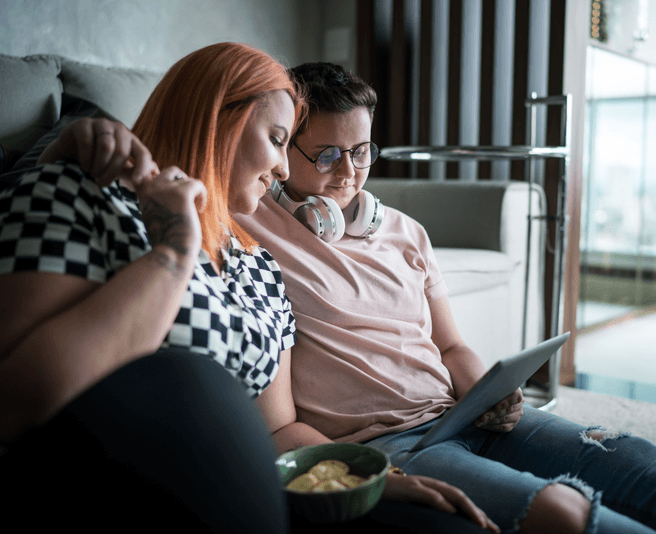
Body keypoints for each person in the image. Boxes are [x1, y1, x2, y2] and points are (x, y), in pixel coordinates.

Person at [234, 62, 656, 534]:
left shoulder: (405, 232)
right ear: (283, 152)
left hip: (460, 414)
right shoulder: (252, 232)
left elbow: (450, 346)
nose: (349, 174)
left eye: (361, 152)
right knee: (558, 511)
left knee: (640, 463)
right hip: (393, 448)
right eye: (327, 156)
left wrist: (489, 392)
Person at [0, 42, 496, 533]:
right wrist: (173, 254)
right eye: (278, 139)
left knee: (449, 521)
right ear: (220, 122)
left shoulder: (259, 265)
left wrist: (371, 475)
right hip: (120, 487)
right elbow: (21, 400)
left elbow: (279, 429)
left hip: (264, 492)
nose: (284, 169)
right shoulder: (83, 193)